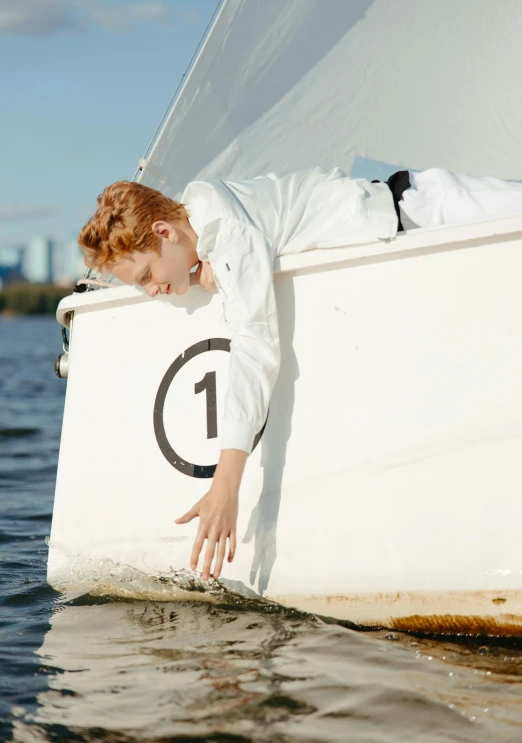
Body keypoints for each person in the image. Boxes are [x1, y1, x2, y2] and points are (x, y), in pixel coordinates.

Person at [78, 165, 522, 581]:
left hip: (430, 211)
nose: (153, 291)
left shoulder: (229, 235)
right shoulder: (209, 221)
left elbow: (255, 348)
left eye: (147, 276)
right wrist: (197, 271)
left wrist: (225, 485)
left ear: (163, 231)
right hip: (412, 214)